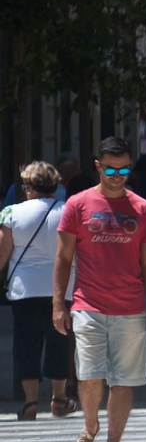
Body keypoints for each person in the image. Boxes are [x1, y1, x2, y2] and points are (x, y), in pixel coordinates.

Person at [53, 136, 146, 442]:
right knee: (89, 376)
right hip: (88, 305)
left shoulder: (143, 209)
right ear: (98, 166)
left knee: (124, 380)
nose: (119, 175)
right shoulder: (77, 204)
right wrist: (59, 302)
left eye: (125, 168)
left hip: (130, 308)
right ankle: (90, 427)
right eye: (112, 168)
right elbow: (63, 257)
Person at [1, 161, 72, 419]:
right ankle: (59, 398)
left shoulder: (11, 213)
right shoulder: (68, 212)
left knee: (26, 344)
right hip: (61, 289)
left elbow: (3, 252)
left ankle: (31, 403)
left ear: (29, 187)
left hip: (24, 290)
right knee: (59, 342)